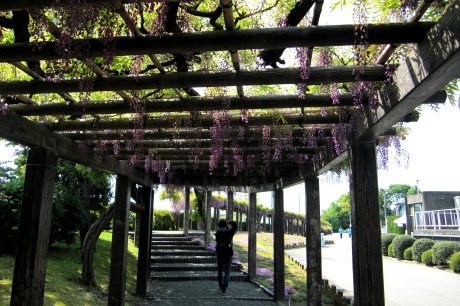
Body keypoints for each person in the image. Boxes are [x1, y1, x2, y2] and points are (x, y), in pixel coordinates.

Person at [215, 220, 238, 295]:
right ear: (225, 226)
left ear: (219, 226)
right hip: (228, 252)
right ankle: (224, 289)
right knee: (227, 271)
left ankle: (221, 286)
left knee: (220, 270)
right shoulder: (228, 233)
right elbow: (235, 226)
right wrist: (230, 222)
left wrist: (226, 227)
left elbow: (222, 235)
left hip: (220, 252)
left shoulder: (217, 233)